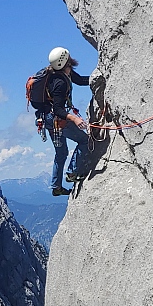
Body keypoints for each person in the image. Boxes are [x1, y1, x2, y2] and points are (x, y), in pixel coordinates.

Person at [43, 47, 91, 196]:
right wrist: (75, 119)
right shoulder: (60, 82)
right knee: (84, 141)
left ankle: (56, 187)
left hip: (47, 119)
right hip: (58, 119)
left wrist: (99, 78)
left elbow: (81, 80)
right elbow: (58, 109)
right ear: (66, 61)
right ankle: (72, 172)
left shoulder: (60, 74)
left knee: (61, 152)